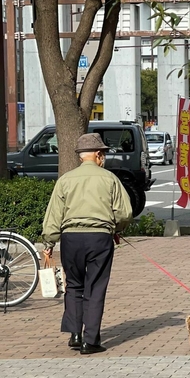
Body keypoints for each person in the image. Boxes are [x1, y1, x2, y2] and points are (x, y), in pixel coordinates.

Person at [42, 132, 133, 354]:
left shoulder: (65, 179)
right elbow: (125, 212)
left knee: (73, 285)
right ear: (99, 155)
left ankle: (75, 334)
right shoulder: (109, 179)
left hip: (71, 238)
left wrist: (49, 242)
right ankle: (90, 341)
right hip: (99, 238)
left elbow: (54, 214)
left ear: (81, 156)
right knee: (95, 287)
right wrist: (116, 228)